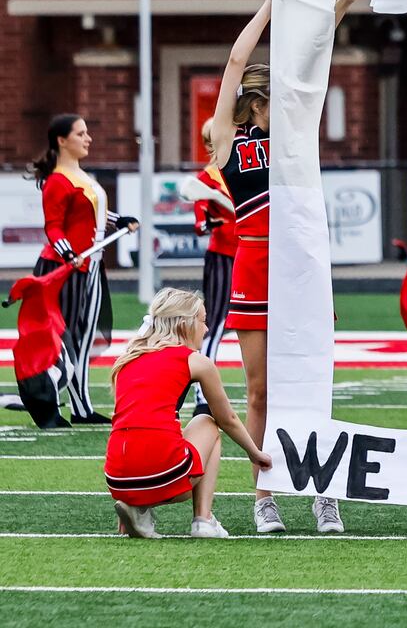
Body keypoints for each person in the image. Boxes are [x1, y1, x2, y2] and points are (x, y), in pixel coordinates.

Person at [211, 0, 364, 534]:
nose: (291, 99)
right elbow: (232, 63)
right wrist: (269, 9)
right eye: (277, 96)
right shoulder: (226, 141)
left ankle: (325, 495)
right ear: (256, 102)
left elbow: (312, 65)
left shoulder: (295, 136)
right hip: (254, 263)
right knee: (260, 391)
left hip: (301, 264)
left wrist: (342, 3)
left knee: (313, 382)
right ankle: (265, 495)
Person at [106, 287, 272, 539]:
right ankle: (203, 519)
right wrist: (255, 453)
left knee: (146, 433)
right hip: (167, 477)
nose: (206, 330)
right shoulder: (196, 361)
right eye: (203, 321)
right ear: (185, 324)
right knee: (206, 421)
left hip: (117, 479)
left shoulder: (128, 358)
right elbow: (227, 419)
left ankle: (138, 508)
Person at [25, 113, 137, 426]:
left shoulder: (81, 177)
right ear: (62, 141)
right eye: (80, 134)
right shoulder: (57, 181)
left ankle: (82, 407)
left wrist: (120, 220)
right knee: (65, 337)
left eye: (87, 133)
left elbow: (95, 210)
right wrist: (69, 253)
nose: (88, 138)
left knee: (84, 337)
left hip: (91, 266)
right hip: (65, 269)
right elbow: (53, 227)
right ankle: (47, 404)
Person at [189, 118, 236, 417]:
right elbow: (199, 220)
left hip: (251, 253)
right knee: (215, 321)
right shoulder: (207, 179)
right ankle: (200, 390)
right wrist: (208, 221)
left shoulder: (238, 171)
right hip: (223, 255)